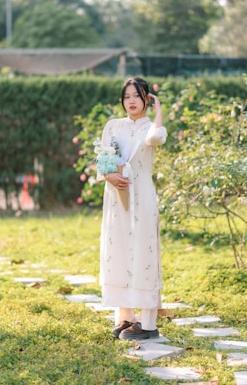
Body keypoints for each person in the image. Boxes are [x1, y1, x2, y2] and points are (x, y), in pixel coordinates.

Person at [97, 77, 167, 341]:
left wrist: (159, 112)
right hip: (117, 195)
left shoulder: (152, 127)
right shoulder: (113, 127)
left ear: (146, 98)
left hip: (143, 197)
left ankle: (148, 324)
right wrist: (108, 177)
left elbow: (155, 138)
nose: (131, 101)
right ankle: (126, 317)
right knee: (118, 251)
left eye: (137, 96)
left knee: (143, 251)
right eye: (127, 97)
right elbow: (102, 159)